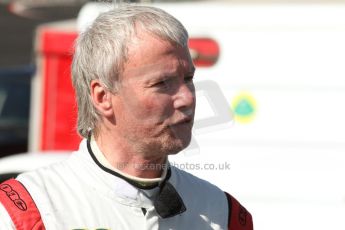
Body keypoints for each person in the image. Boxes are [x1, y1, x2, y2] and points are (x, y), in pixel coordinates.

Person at [0, 5, 253, 229]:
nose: (187, 97)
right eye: (162, 83)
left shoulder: (223, 212)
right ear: (102, 97)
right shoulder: (25, 212)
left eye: (188, 79)